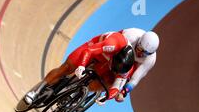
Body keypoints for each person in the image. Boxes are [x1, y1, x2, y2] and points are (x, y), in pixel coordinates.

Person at [24, 29, 159, 105]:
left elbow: (134, 79)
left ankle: (80, 92)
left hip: (120, 62)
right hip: (108, 50)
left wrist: (116, 94)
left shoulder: (149, 60)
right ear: (139, 41)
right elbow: (90, 51)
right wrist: (81, 65)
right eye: (140, 48)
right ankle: (37, 90)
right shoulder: (128, 37)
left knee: (108, 82)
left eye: (144, 53)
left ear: (150, 54)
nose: (140, 53)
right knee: (67, 67)